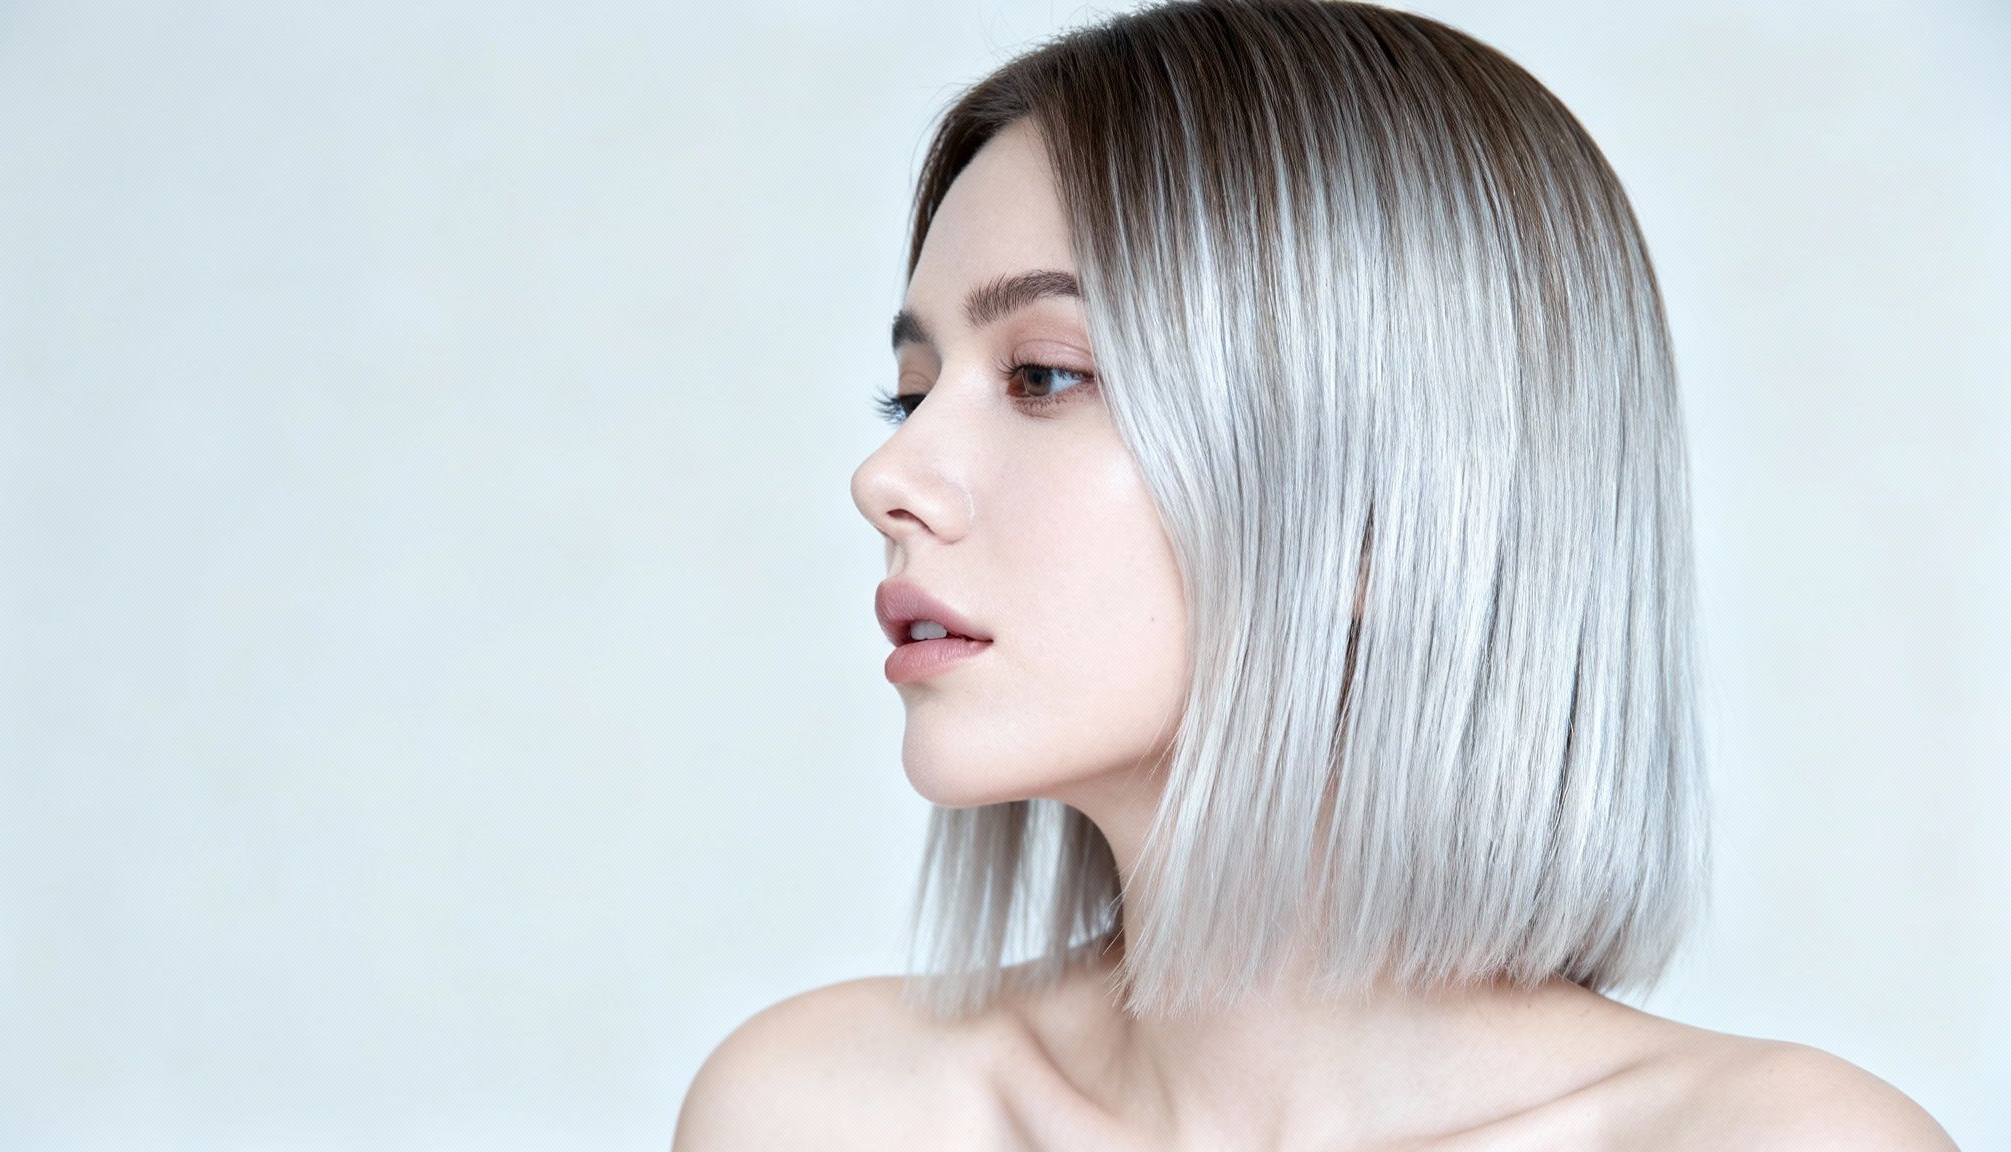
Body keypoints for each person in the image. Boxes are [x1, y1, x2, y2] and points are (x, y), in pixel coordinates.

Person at [675, 1, 1958, 1146]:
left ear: (1375, 504)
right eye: (907, 396)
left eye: (1045, 375)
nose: (887, 477)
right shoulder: (819, 1111)